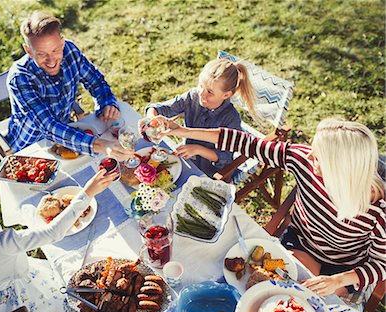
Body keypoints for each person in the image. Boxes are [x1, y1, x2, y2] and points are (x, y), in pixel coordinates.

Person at [160, 117, 385, 298]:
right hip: (301, 243)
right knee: (270, 289)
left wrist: (338, 280)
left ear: (342, 168)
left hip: (343, 269)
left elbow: (381, 264)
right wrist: (181, 131)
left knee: (311, 302)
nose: (309, 156)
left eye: (319, 158)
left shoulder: (378, 211)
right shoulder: (304, 160)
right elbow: (244, 142)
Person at [0, 170, 116, 312]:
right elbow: (52, 232)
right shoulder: (0, 242)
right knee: (59, 298)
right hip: (20, 299)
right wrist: (87, 193)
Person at [7, 11, 131, 160]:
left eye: (55, 50)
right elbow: (49, 127)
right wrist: (100, 145)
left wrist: (106, 102)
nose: (51, 61)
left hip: (68, 131)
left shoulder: (70, 50)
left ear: (62, 42)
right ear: (29, 51)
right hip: (33, 145)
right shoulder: (19, 77)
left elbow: (96, 82)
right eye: (41, 54)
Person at [145, 58, 256, 177]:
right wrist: (153, 117)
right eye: (201, 85)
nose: (202, 93)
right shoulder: (192, 97)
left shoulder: (231, 118)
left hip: (210, 173)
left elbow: (226, 159)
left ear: (226, 95)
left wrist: (197, 149)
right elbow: (160, 108)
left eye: (210, 92)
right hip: (184, 160)